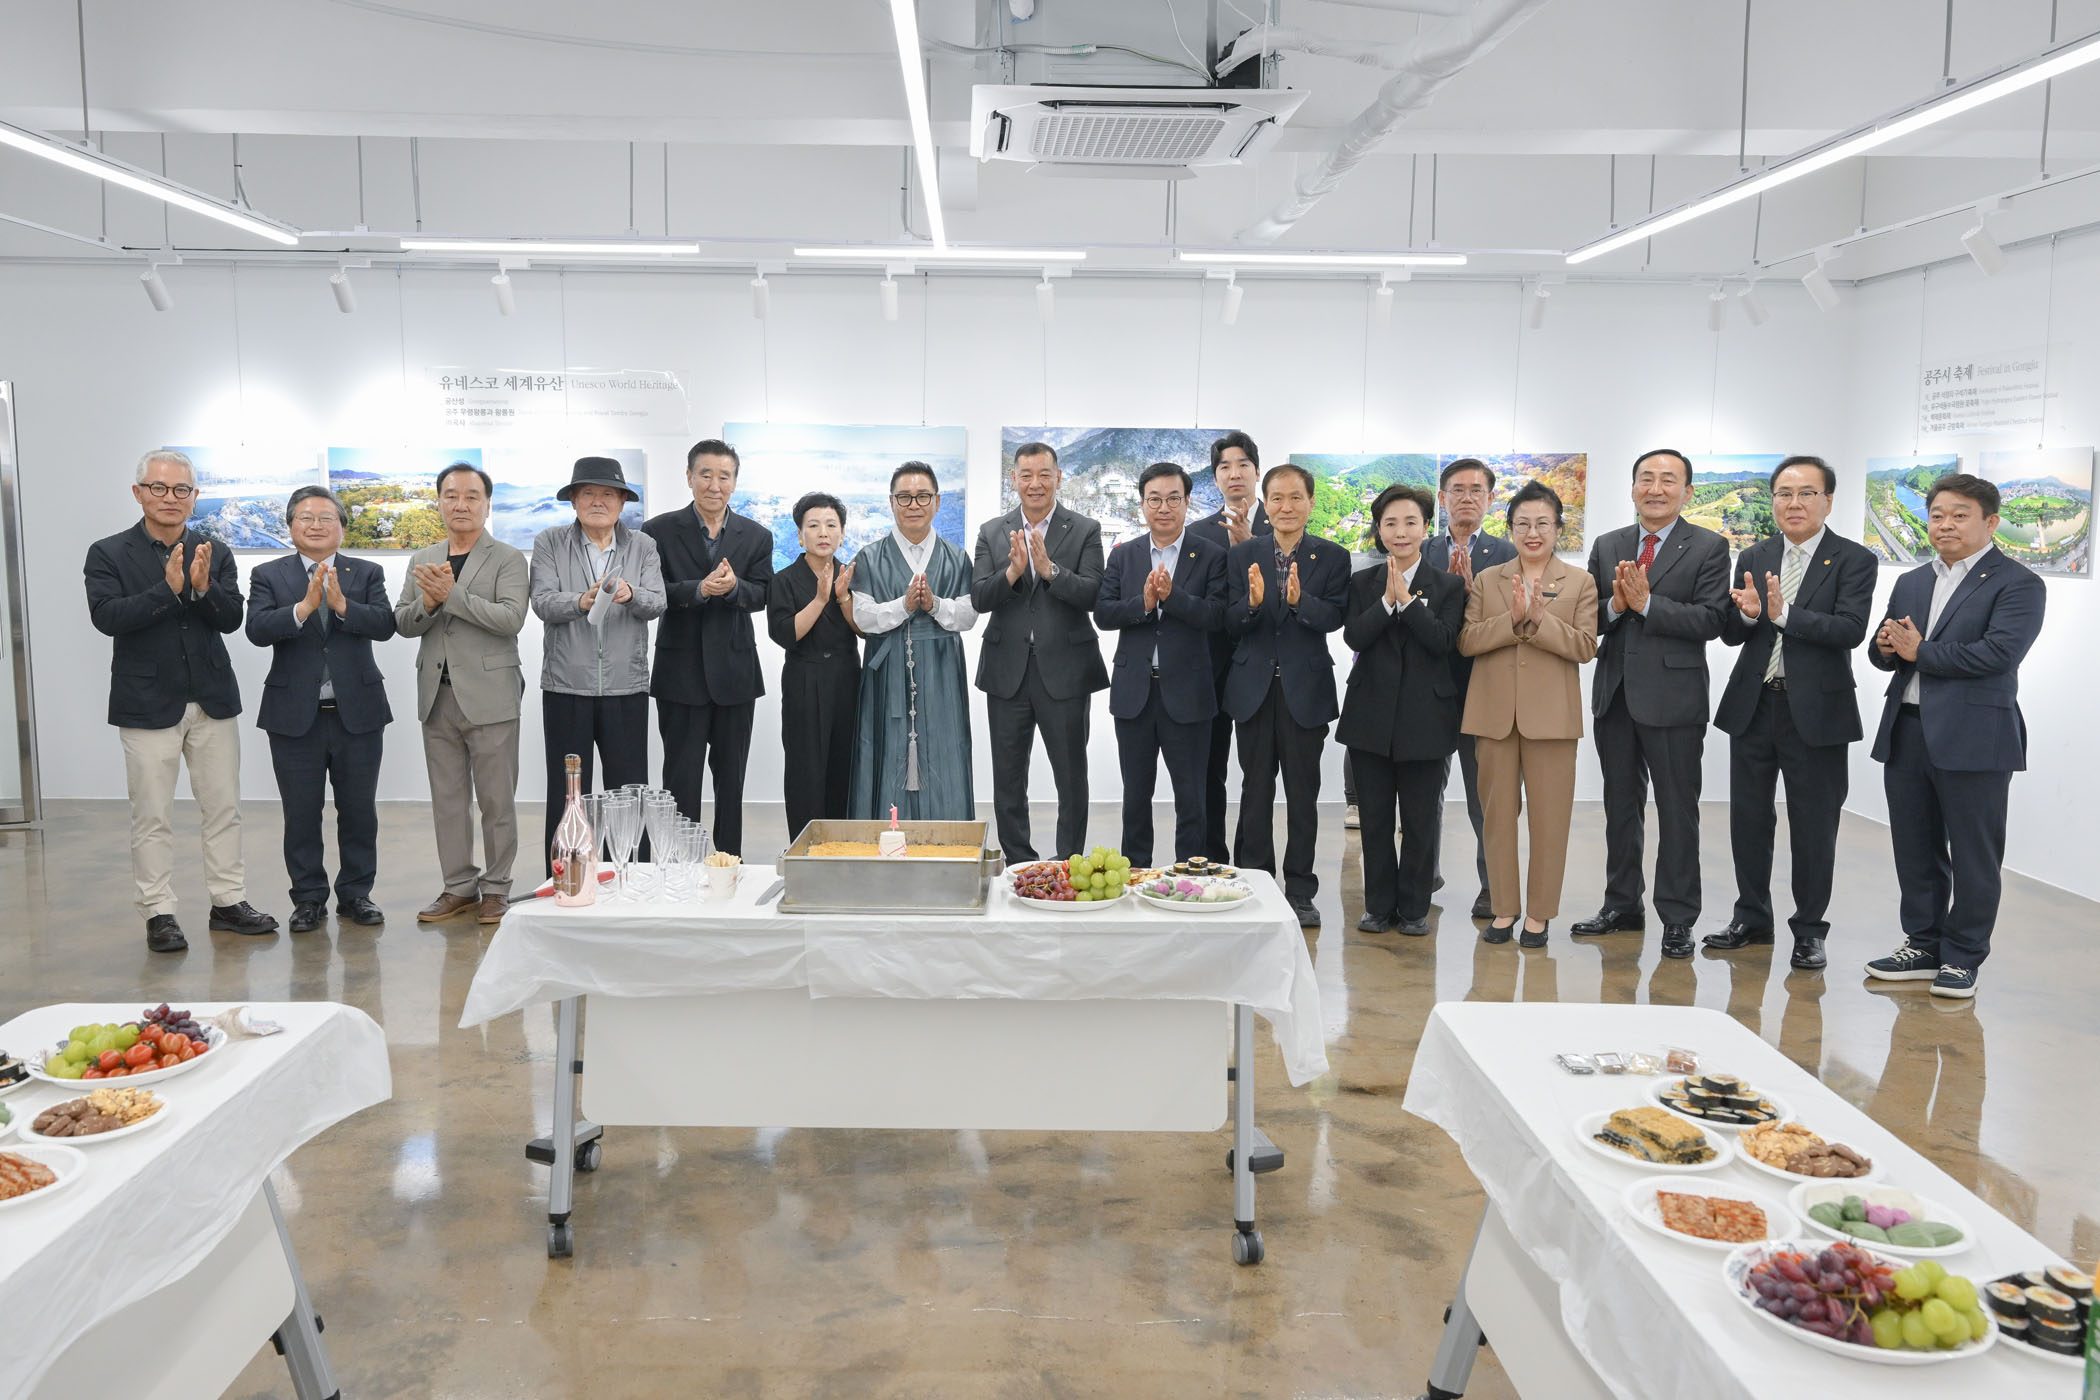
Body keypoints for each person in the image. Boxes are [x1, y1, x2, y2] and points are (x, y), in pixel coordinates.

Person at [85, 448, 278, 951]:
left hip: (212, 698)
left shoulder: (215, 550)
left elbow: (231, 619)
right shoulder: (108, 552)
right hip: (146, 702)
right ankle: (159, 912)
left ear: (195, 496)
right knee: (152, 815)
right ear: (138, 493)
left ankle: (228, 902)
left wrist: (201, 588)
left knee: (224, 808)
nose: (169, 497)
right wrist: (167, 591)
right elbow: (107, 617)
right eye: (158, 487)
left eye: (181, 489)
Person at [1863, 473, 2045, 1000]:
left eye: (1960, 515)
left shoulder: (2018, 583)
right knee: (1915, 848)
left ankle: (1963, 956)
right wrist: (1885, 648)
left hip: (1976, 737)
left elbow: (1998, 655)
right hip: (1908, 729)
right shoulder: (1912, 580)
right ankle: (1922, 944)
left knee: (1973, 854)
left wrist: (1920, 652)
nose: (1945, 524)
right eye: (1937, 514)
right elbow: (1886, 651)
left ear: (1991, 522)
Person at [1705, 456, 1877, 971]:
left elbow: (1850, 630)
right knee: (1749, 820)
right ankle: (1751, 918)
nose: (1793, 503)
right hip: (1755, 705)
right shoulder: (1755, 554)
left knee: (1814, 825)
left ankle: (1809, 930)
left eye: (1806, 493)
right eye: (1784, 493)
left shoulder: (1854, 559)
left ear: (1828, 500)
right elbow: (1732, 633)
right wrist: (1747, 616)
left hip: (1818, 712)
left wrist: (1784, 615)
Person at [1574, 448, 1730, 959]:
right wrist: (1615, 606)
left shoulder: (1708, 546)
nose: (1655, 489)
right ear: (1632, 487)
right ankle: (1621, 905)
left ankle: (1679, 918)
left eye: (1668, 480)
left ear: (1687, 491)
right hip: (1615, 695)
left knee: (1677, 810)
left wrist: (1647, 605)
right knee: (1620, 807)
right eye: (1646, 478)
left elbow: (1712, 620)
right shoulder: (1609, 544)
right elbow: (1587, 617)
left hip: (1674, 699)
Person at [244, 485, 396, 933]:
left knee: (359, 811)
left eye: (326, 518)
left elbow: (385, 624)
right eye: (305, 517)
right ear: (290, 526)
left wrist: (342, 605)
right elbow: (257, 629)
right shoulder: (268, 574)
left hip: (358, 713)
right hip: (293, 715)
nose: (315, 525)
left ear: (341, 527)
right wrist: (305, 607)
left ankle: (356, 894)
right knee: (301, 813)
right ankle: (308, 899)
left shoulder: (366, 571)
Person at [1459, 482, 1599, 946]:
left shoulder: (1579, 581)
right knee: (1497, 818)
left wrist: (1540, 619)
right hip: (1494, 716)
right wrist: (1512, 619)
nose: (1532, 533)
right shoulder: (1488, 579)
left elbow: (1585, 646)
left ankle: (1539, 915)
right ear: (1510, 529)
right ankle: (1503, 909)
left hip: (1552, 719)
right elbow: (1467, 641)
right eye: (1522, 524)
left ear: (1558, 529)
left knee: (1550, 821)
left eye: (1542, 524)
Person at [396, 462, 529, 926]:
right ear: (438, 503)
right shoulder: (422, 558)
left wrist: (450, 597)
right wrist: (429, 602)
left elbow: (510, 619)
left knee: (497, 801)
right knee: (448, 801)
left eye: (472, 496)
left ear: (487, 505)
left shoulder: (508, 558)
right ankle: (458, 886)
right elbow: (403, 622)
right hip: (437, 696)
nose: (461, 504)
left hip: (491, 696)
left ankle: (497, 888)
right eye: (451, 495)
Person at [1224, 463, 1350, 927]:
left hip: (1305, 691)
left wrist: (1300, 603)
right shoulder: (1243, 554)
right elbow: (1228, 621)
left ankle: (1300, 891)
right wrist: (1253, 604)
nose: (1286, 506)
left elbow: (1335, 617)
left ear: (1311, 503)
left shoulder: (1332, 557)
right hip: (1252, 691)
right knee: (1255, 790)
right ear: (1265, 503)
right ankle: (1255, 884)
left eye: (1296, 497)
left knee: (1302, 795)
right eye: (1277, 498)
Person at [971, 441, 1108, 863]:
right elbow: (980, 598)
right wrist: (1012, 572)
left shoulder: (1084, 529)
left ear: (1058, 477)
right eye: (1026, 475)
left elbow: (1094, 594)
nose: (1035, 483)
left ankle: (1068, 862)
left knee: (1071, 776)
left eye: (1044, 474)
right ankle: (1020, 864)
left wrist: (1051, 571)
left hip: (1066, 671)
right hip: (1007, 672)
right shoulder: (992, 531)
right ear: (1013, 479)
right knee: (1009, 777)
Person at [1338, 485, 1465, 936]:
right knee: (1374, 819)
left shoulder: (1448, 585)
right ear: (1379, 529)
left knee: (1419, 820)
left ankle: (1414, 909)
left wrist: (1408, 603)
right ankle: (1377, 907)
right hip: (1370, 717)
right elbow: (1355, 637)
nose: (1400, 531)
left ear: (1426, 527)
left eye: (1410, 522)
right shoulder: (1362, 583)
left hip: (1426, 719)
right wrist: (1387, 601)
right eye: (1390, 523)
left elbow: (1442, 641)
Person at [530, 457, 666, 874]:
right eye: (587, 493)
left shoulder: (642, 545)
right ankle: (567, 879)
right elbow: (542, 602)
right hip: (566, 686)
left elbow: (657, 601)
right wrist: (581, 600)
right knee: (568, 791)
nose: (598, 501)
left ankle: (631, 876)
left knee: (629, 791)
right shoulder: (550, 542)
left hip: (627, 686)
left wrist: (631, 594)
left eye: (608, 494)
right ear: (573, 500)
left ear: (622, 502)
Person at [644, 439, 774, 857]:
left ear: (734, 482)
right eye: (705, 475)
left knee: (731, 782)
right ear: (689, 477)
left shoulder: (757, 535)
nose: (714, 485)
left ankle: (728, 862)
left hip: (735, 675)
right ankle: (681, 864)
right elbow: (652, 592)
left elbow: (763, 594)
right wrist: (698, 589)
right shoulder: (658, 531)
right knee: (680, 780)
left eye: (724, 476)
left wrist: (734, 588)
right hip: (679, 674)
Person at [1094, 462, 1227, 866]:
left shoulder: (1211, 555)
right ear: (1142, 504)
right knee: (1136, 796)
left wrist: (1173, 598)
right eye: (1155, 499)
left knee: (1192, 797)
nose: (1164, 507)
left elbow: (1217, 616)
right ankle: (1135, 873)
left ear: (1187, 502)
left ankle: (1190, 877)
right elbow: (1104, 614)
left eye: (1173, 499)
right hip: (1134, 693)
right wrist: (1146, 603)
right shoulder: (1124, 554)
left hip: (1189, 694)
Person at [850, 463, 979, 821]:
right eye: (904, 497)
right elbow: (863, 617)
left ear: (937, 501)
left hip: (942, 665)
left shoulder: (956, 557)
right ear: (891, 502)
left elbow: (969, 615)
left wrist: (935, 605)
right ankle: (885, 840)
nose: (914, 505)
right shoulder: (869, 556)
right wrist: (903, 607)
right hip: (887, 667)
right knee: (887, 747)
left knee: (945, 746)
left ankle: (949, 840)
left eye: (923, 496)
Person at [1422, 458, 1518, 920]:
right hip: (1429, 689)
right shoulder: (1421, 550)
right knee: (1424, 793)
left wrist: (1469, 594)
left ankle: (1492, 887)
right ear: (1442, 499)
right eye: (1457, 490)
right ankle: (1423, 877)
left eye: (1476, 490)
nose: (1466, 498)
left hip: (1485, 688)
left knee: (1487, 796)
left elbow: (1514, 618)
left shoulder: (1507, 554)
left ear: (1490, 499)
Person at [1187, 430, 1271, 861]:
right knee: (1209, 770)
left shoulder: (1282, 522)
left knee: (1259, 774)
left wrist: (1250, 547)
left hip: (1267, 667)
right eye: (1224, 466)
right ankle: (1212, 859)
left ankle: (1253, 864)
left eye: (1242, 465)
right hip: (1213, 668)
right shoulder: (1198, 534)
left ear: (1256, 471)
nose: (1234, 473)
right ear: (1215, 477)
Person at [767, 492, 862, 838]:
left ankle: (842, 848)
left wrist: (843, 598)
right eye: (813, 525)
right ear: (799, 535)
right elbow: (785, 634)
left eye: (831, 525)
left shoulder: (853, 575)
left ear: (842, 534)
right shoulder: (783, 580)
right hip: (804, 679)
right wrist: (821, 600)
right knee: (805, 769)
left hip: (847, 679)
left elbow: (864, 629)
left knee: (844, 766)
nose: (823, 532)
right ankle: (804, 849)